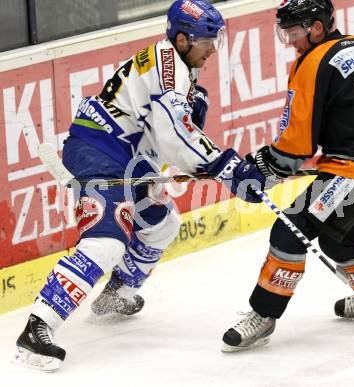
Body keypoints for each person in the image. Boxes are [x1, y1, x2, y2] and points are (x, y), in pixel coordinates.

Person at [15, 0, 273, 371]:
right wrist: (226, 166)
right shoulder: (171, 72)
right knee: (106, 241)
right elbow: (175, 137)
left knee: (161, 223)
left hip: (128, 157)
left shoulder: (177, 63)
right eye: (206, 41)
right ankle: (38, 326)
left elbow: (166, 133)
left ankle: (116, 297)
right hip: (98, 151)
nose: (213, 48)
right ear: (183, 39)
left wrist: (202, 146)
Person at [221, 0, 354, 352]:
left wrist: (265, 169)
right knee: (338, 242)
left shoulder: (312, 63)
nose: (290, 41)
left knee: (290, 230)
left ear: (317, 27)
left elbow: (297, 144)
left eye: (294, 33)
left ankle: (263, 316)